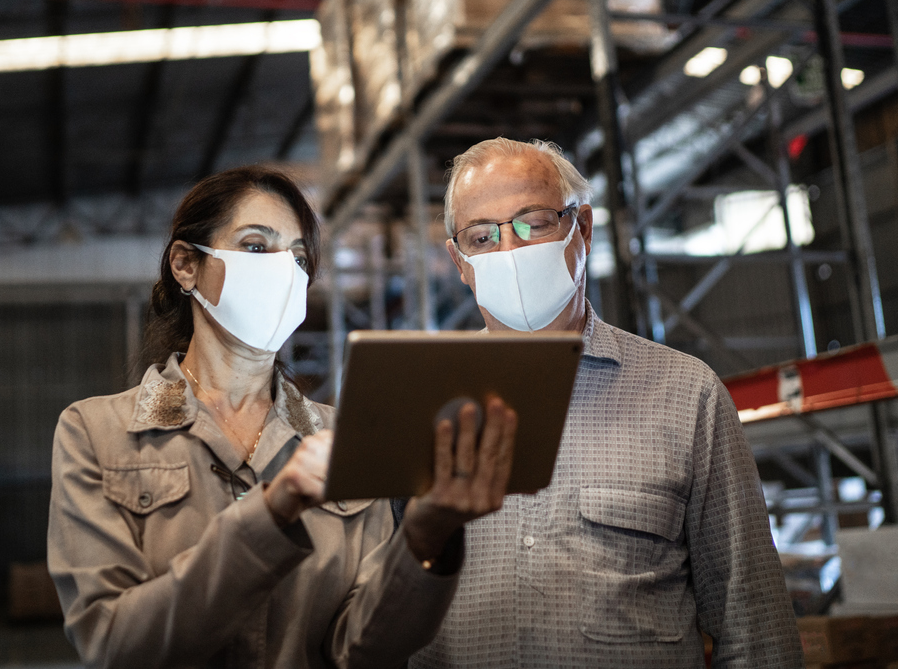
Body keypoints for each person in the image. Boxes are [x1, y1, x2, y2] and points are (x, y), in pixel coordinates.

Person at [48, 165, 517, 669]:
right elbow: (113, 644)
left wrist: (424, 539)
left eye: (297, 257)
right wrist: (271, 513)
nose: (283, 271)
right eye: (255, 247)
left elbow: (361, 649)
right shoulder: (95, 433)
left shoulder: (346, 436)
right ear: (185, 265)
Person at [410, 138, 803, 668]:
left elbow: (753, 623)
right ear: (460, 262)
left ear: (583, 229)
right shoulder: (415, 404)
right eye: (482, 236)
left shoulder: (686, 395)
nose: (511, 251)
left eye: (534, 222)